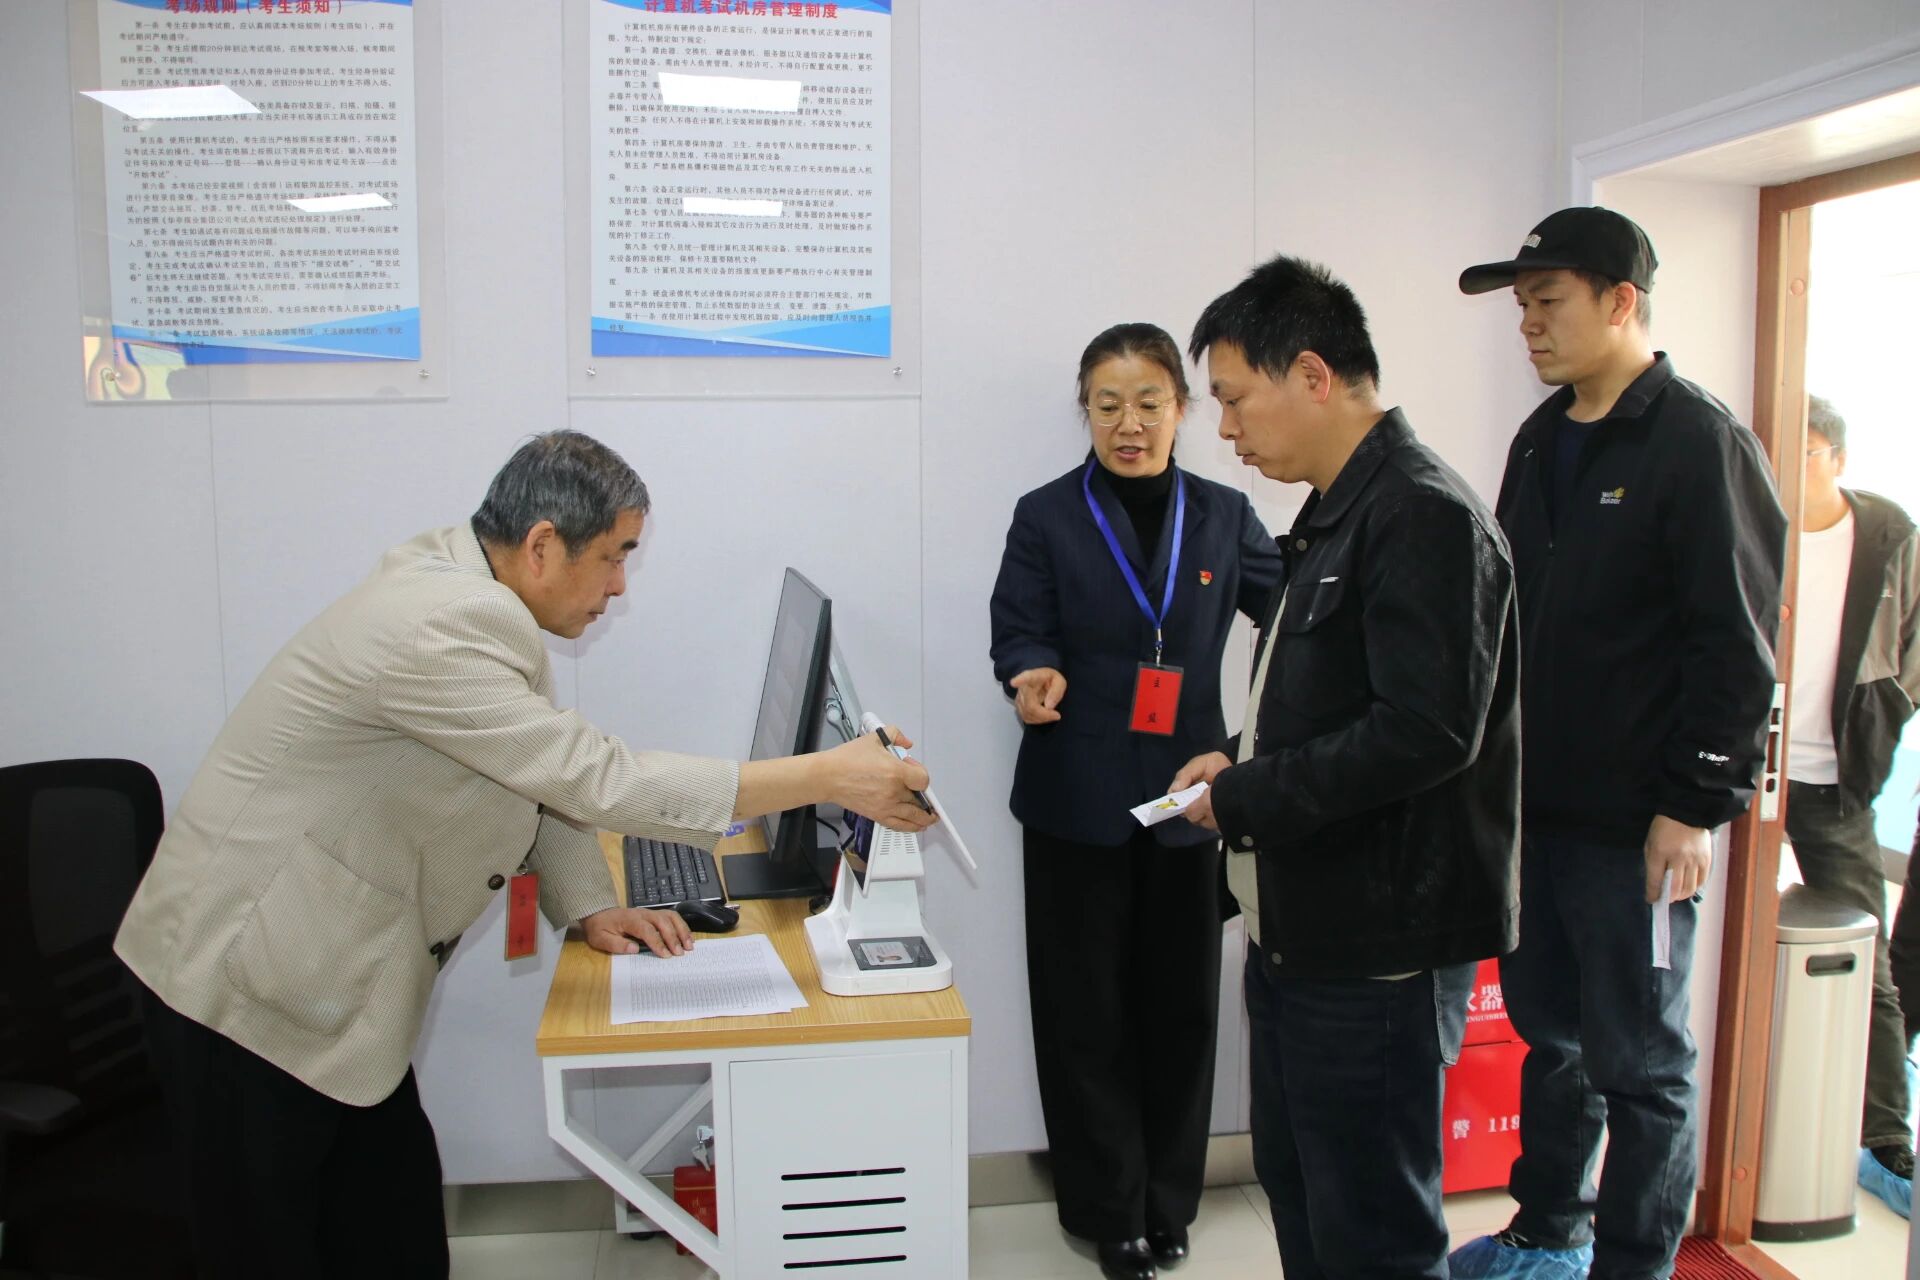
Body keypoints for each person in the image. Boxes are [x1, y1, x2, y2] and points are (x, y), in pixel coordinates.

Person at [114, 431, 934, 1279]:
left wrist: (589, 905)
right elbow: (595, 777)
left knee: (393, 1237)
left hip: (326, 991)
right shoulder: (443, 626)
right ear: (543, 545)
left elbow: (533, 778)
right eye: (615, 557)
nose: (620, 586)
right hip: (247, 990)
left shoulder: (478, 595)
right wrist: (825, 775)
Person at [1450, 207, 1787, 1280]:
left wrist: (1693, 805)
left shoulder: (1697, 440)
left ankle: (1634, 1264)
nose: (1529, 325)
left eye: (1547, 302)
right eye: (1522, 306)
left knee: (1642, 1062)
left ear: (1620, 300)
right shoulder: (1540, 437)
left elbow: (1736, 647)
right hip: (1536, 817)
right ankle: (1549, 1221)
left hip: (1640, 829)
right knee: (1553, 1038)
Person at [1171, 255, 1522, 1280]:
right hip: (1301, 932)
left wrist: (1245, 794)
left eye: (1234, 398)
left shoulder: (1422, 514)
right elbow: (1327, 701)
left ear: (1313, 376)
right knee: (1305, 1200)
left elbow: (1424, 731)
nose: (1226, 430)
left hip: (1377, 953)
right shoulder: (1334, 511)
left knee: (1373, 1233)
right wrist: (1237, 758)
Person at [989, 321, 1284, 1280]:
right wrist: (1030, 674)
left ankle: (1168, 1202)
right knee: (1084, 1017)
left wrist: (1246, 752)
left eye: (1149, 404)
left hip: (1188, 805)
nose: (1129, 424)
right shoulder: (1045, 515)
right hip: (1074, 801)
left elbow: (1298, 623)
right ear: (1085, 411)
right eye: (1107, 405)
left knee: (1182, 1013)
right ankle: (1106, 1209)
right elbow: (1019, 627)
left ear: (1181, 410)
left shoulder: (1225, 515)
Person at [1784, 394, 1920, 1216]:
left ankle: (1885, 1139)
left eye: (1802, 450)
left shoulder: (1888, 534)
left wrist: (1889, 709)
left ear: (1835, 457)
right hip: (1748, 774)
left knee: (1871, 966)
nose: (1787, 465)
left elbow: (1909, 648)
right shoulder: (1753, 520)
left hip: (1836, 780)